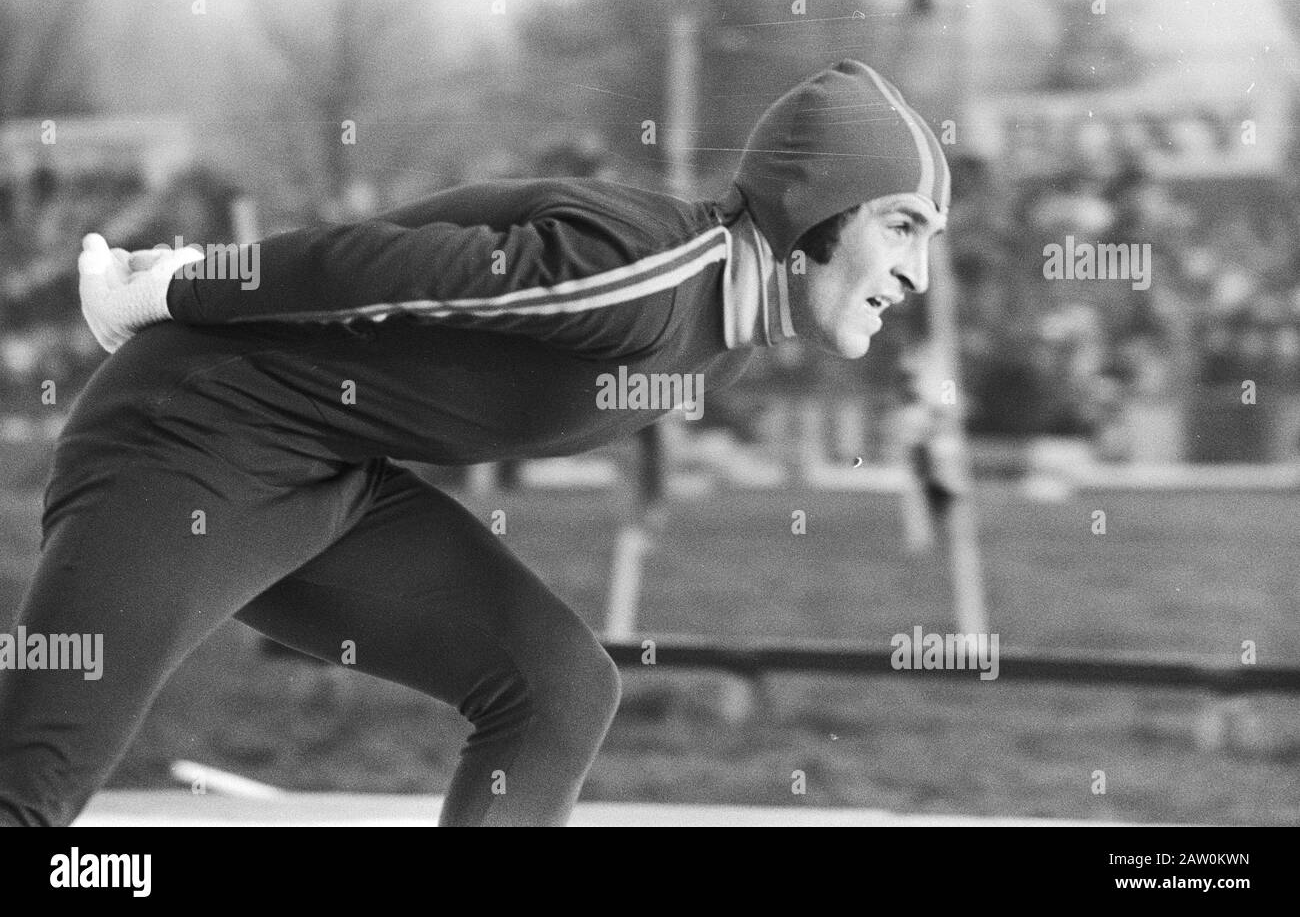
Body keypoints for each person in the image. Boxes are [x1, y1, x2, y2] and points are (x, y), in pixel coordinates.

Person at [0, 59, 949, 826]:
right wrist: (179, 287)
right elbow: (379, 266)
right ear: (811, 210)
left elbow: (472, 211)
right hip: (189, 438)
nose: (917, 273)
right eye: (902, 226)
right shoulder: (647, 278)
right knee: (33, 791)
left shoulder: (724, 341)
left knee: (559, 692)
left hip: (326, 480)